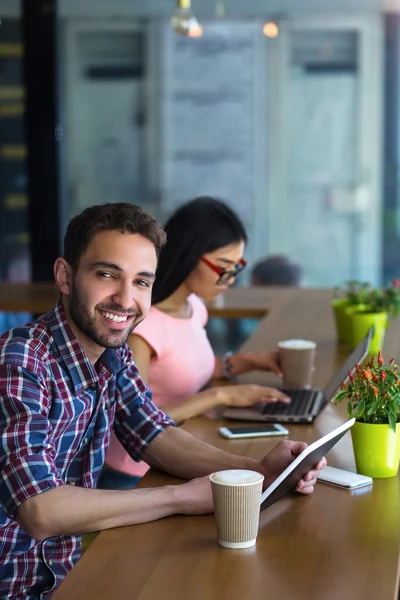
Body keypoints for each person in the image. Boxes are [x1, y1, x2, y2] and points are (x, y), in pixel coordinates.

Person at [0, 202, 325, 599]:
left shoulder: (111, 354)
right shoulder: (19, 361)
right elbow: (40, 510)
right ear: (65, 276)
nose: (125, 299)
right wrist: (181, 497)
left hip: (71, 571)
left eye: (141, 282)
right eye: (107, 274)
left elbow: (153, 432)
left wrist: (257, 471)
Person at [103, 198, 294, 488]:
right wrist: (219, 397)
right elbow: (134, 419)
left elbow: (183, 367)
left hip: (185, 446)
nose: (229, 278)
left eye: (237, 267)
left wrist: (252, 361)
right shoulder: (143, 325)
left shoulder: (192, 306)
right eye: (223, 266)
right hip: (138, 472)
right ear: (190, 255)